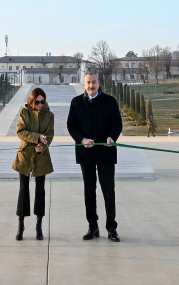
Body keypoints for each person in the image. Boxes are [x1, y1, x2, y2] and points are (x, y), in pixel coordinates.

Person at [67, 72, 123, 242]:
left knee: (108, 191)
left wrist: (112, 137)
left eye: (94, 82)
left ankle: (112, 228)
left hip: (106, 152)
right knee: (89, 191)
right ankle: (93, 227)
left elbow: (117, 123)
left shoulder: (110, 101)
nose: (91, 85)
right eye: (88, 83)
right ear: (84, 84)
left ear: (99, 83)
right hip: (86, 153)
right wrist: (82, 140)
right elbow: (71, 125)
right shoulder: (76, 102)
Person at [11, 87, 54, 241]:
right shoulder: (24, 113)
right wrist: (36, 138)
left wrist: (41, 146)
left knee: (40, 190)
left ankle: (39, 224)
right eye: (37, 102)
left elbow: (49, 135)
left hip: (41, 156)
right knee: (23, 190)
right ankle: (21, 224)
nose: (40, 105)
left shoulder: (49, 115)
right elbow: (20, 132)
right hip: (25, 155)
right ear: (31, 100)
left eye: (43, 102)